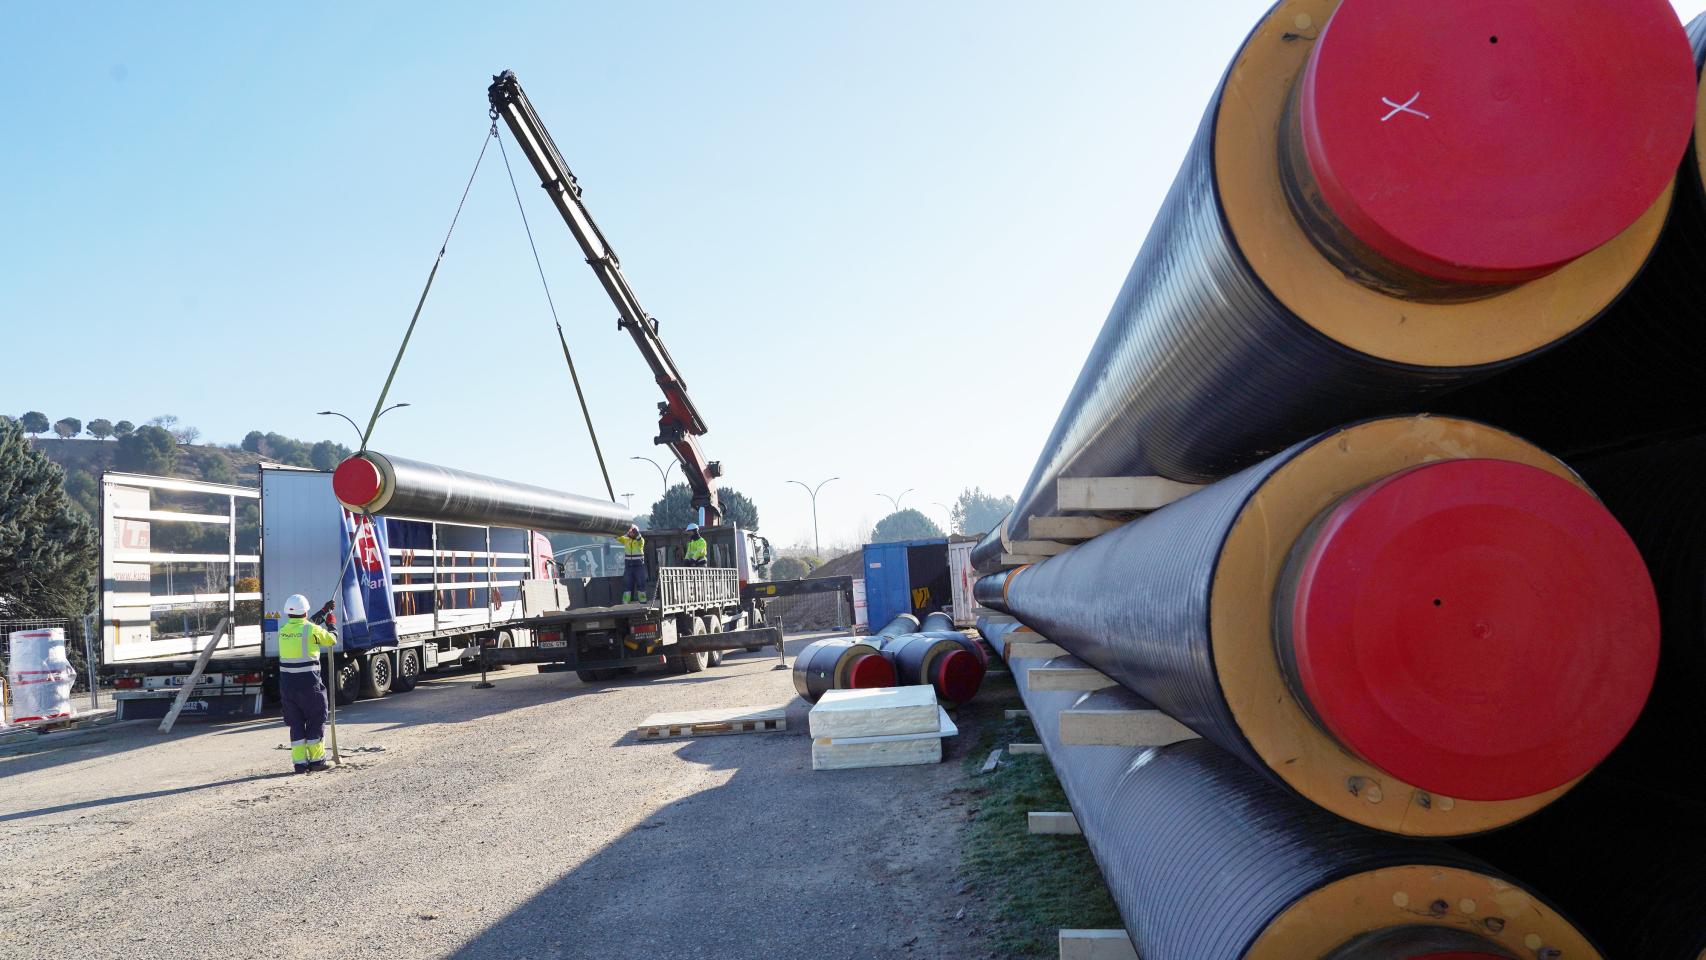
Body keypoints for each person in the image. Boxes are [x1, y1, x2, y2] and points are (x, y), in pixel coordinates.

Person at [277, 593, 337, 774]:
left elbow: (306, 623)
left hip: (288, 687)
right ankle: (318, 760)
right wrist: (331, 622)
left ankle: (300, 764)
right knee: (316, 719)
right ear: (305, 611)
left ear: (288, 613)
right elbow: (331, 639)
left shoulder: (284, 630)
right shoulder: (311, 630)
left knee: (296, 724)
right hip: (309, 684)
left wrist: (324, 611)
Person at [617, 524, 647, 603]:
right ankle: (625, 603)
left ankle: (643, 602)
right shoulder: (626, 540)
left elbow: (639, 539)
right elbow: (617, 537)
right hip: (628, 567)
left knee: (641, 584)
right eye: (630, 532)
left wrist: (635, 531)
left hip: (639, 567)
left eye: (632, 531)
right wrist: (616, 529)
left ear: (636, 532)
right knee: (627, 584)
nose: (630, 533)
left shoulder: (640, 541)